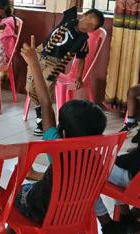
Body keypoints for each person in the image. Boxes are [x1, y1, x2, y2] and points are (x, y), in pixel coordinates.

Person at [14, 36, 123, 233]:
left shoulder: (57, 147)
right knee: (75, 182)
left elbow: (46, 103)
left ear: (62, 132)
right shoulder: (97, 159)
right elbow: (94, 192)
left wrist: (35, 65)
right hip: (75, 213)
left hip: (42, 210)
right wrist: (105, 221)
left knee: (17, 194)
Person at [25, 0, 105, 136]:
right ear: (83, 15)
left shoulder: (83, 40)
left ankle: (42, 119)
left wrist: (78, 76)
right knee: (30, 87)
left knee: (44, 88)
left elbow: (81, 58)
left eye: (92, 25)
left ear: (93, 30)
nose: (88, 24)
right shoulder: (70, 18)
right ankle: (40, 113)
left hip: (55, 63)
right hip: (40, 52)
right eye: (89, 18)